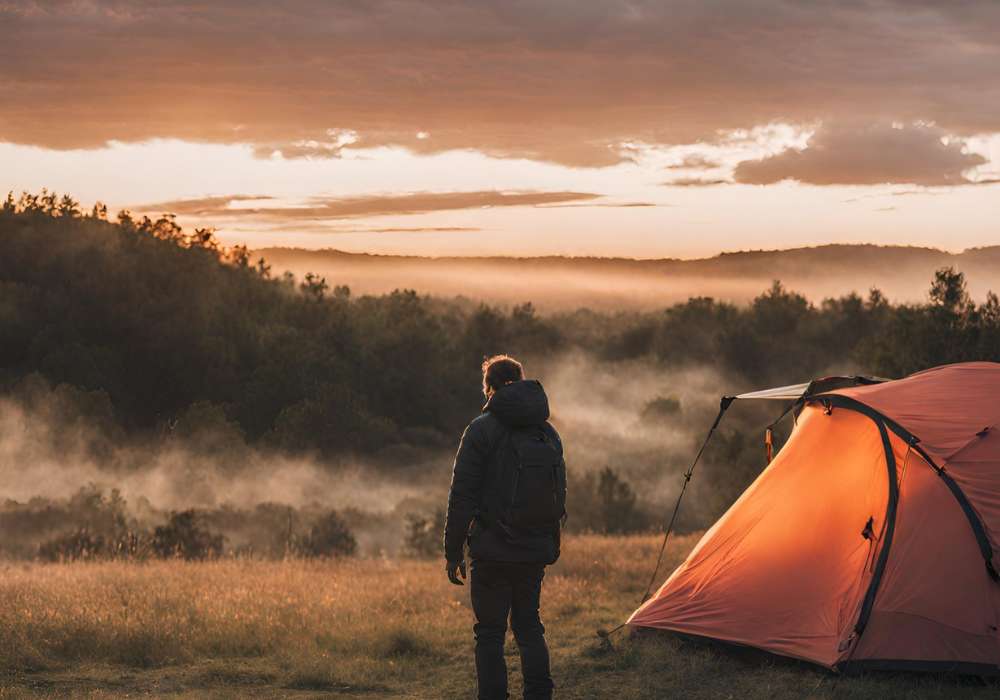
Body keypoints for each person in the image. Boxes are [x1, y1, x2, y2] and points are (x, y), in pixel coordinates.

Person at [444, 355, 566, 700]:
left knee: (489, 634)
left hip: (491, 550)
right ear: (521, 381)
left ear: (489, 388)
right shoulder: (548, 432)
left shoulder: (480, 429)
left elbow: (462, 496)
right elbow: (559, 494)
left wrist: (453, 552)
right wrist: (550, 544)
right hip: (533, 550)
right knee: (529, 627)